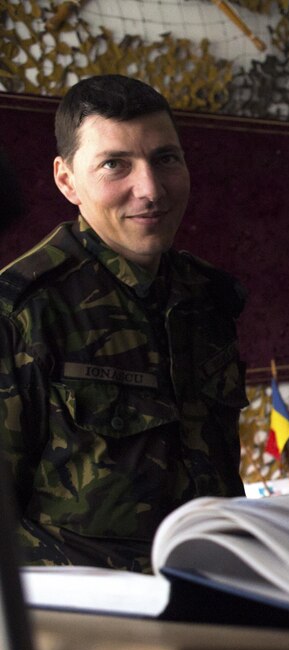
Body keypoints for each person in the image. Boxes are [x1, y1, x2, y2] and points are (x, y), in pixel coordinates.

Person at [0, 75, 248, 572]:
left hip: (215, 593)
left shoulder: (208, 298)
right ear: (66, 180)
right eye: (116, 164)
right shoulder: (22, 310)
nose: (151, 190)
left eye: (166, 159)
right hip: (88, 624)